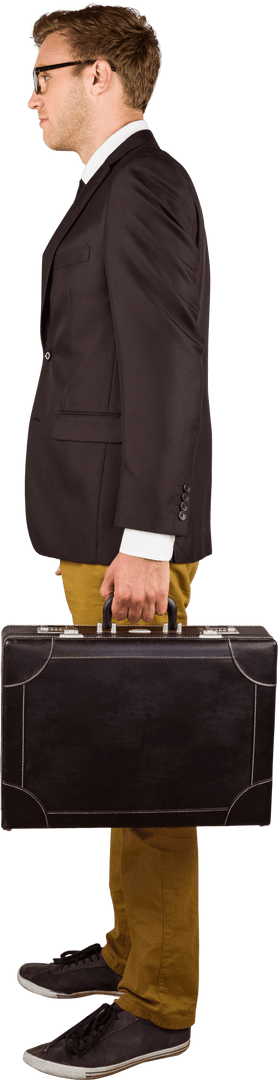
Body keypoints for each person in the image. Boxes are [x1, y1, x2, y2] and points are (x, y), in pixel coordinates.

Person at [20, 4, 213, 1076]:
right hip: (98, 523)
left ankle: (159, 1001)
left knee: (152, 771)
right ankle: (127, 948)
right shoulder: (111, 187)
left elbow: (168, 368)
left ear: (100, 75)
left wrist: (146, 538)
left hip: (123, 534)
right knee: (115, 753)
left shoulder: (144, 188)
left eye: (43, 76)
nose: (30, 97)